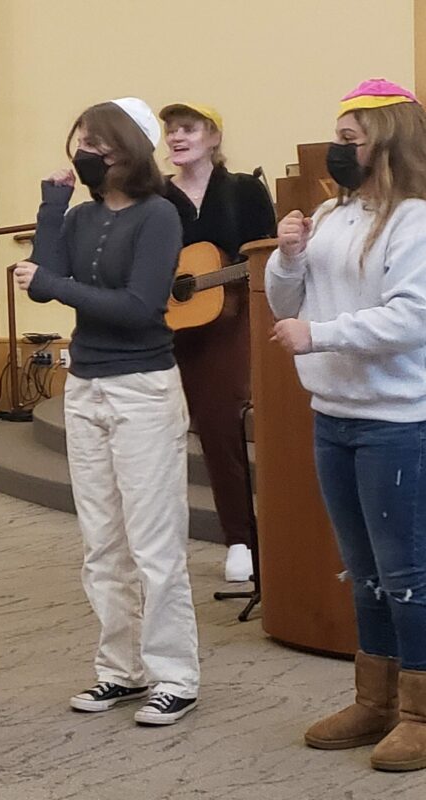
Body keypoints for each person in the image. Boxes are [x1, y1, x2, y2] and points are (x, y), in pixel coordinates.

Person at [13, 98, 199, 725]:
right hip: (86, 386)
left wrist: (53, 281)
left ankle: (176, 675)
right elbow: (44, 280)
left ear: (130, 149)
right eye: (81, 140)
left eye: (98, 141)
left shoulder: (159, 216)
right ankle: (121, 671)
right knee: (101, 544)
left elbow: (138, 306)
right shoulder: (79, 217)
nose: (84, 151)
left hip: (142, 386)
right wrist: (49, 206)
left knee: (154, 543)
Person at [267, 78, 426, 772]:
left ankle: (420, 711)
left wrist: (321, 334)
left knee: (408, 575)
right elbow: (284, 298)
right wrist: (289, 256)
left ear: (386, 142)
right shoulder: (333, 214)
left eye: (349, 140)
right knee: (361, 572)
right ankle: (377, 700)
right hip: (333, 415)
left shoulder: (415, 220)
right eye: (337, 137)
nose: (336, 150)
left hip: (396, 423)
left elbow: (411, 317)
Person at [160, 102, 277, 582]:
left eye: (187, 129)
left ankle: (242, 540)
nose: (176, 137)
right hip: (165, 326)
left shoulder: (243, 191)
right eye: (170, 131)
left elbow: (263, 257)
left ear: (212, 136)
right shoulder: (157, 198)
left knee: (221, 427)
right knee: (158, 433)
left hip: (228, 324)